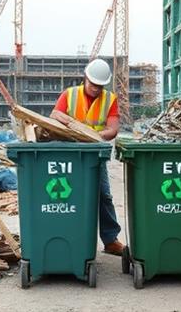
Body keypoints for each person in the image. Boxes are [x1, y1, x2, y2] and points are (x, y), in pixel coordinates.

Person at [50, 58, 124, 256]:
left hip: (94, 154)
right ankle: (68, 237)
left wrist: (94, 135)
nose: (96, 89)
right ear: (85, 78)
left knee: (104, 195)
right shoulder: (70, 94)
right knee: (69, 197)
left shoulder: (110, 99)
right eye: (93, 84)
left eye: (100, 86)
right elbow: (55, 116)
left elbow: (113, 129)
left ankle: (110, 240)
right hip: (70, 154)